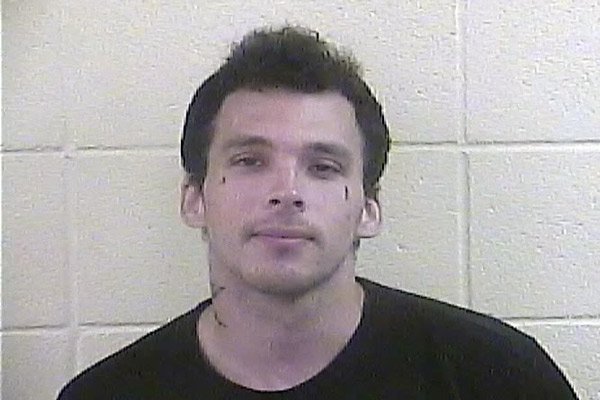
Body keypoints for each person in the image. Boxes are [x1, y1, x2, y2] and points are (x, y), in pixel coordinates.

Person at [58, 26, 578, 399]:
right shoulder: (109, 393)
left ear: (368, 209)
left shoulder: (497, 377)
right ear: (194, 199)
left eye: (323, 167)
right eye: (249, 161)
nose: (287, 192)